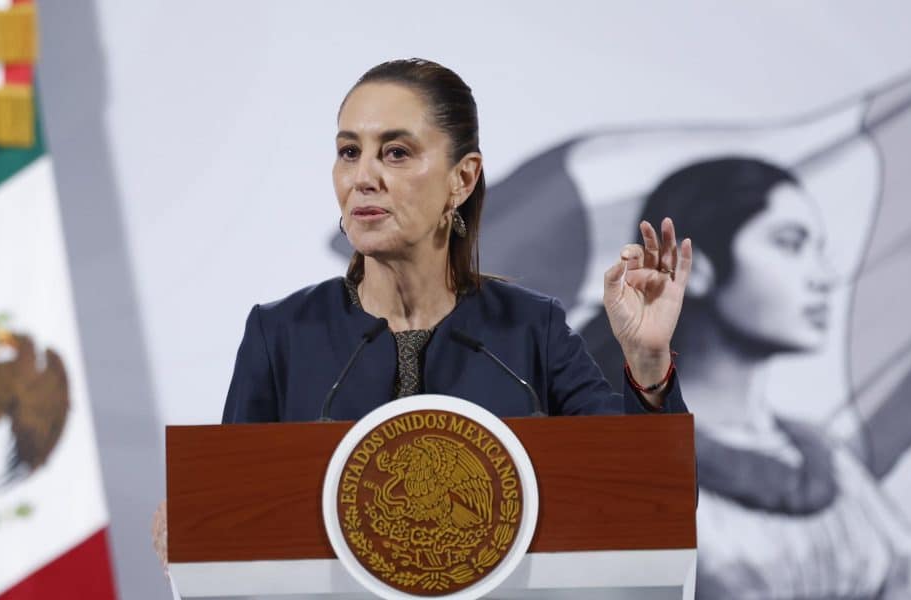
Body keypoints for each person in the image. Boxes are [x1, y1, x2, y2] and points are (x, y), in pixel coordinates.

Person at [152, 58, 693, 568]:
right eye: (348, 152)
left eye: (395, 153)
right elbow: (237, 518)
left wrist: (648, 364)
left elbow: (653, 501)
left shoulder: (532, 330)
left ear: (462, 178)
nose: (363, 177)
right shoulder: (282, 335)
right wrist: (198, 526)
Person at [582, 157, 911, 598]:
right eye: (790, 244)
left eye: (820, 250)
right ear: (693, 267)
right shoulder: (610, 459)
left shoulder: (829, 463)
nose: (824, 277)